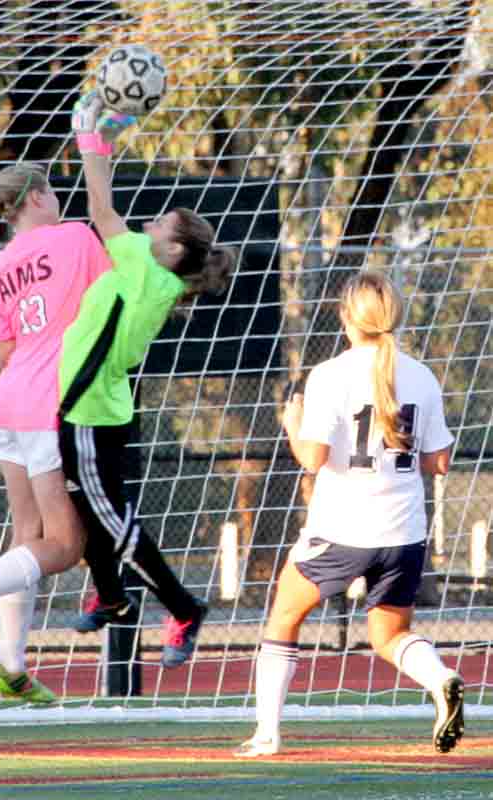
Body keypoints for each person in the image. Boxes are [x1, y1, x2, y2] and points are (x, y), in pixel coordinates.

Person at [235, 270, 463, 757]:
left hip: (343, 528)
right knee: (390, 634)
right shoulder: (421, 375)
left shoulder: (330, 374)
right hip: (404, 532)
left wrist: (293, 424)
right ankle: (441, 677)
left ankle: (267, 734)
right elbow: (439, 463)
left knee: (284, 616)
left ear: (346, 318)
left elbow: (313, 459)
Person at [57, 92, 236, 667]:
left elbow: (101, 208)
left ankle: (183, 607)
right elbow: (109, 213)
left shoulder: (145, 269)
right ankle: (111, 596)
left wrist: (90, 138)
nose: (150, 222)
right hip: (91, 405)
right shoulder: (151, 271)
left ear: (174, 247)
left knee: (109, 518)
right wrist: (104, 139)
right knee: (88, 510)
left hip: (88, 408)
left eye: (161, 222)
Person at [0, 162, 111, 700]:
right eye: (52, 190)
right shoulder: (76, 237)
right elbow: (111, 302)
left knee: (27, 536)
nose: (58, 199)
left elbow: (6, 349)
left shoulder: (0, 263)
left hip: (8, 399)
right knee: (66, 544)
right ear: (34, 198)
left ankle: (8, 663)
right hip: (51, 402)